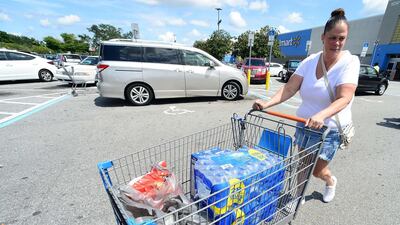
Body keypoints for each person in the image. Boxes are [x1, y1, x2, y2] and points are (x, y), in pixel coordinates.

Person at [253, 8, 359, 203]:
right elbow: (290, 88)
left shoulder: (350, 62)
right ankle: (298, 195)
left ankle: (330, 181)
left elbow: (344, 98)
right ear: (323, 37)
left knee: (317, 169)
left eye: (341, 38)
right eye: (332, 38)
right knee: (303, 163)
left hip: (330, 128)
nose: (337, 43)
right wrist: (266, 103)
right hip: (304, 122)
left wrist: (321, 115)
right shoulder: (310, 61)